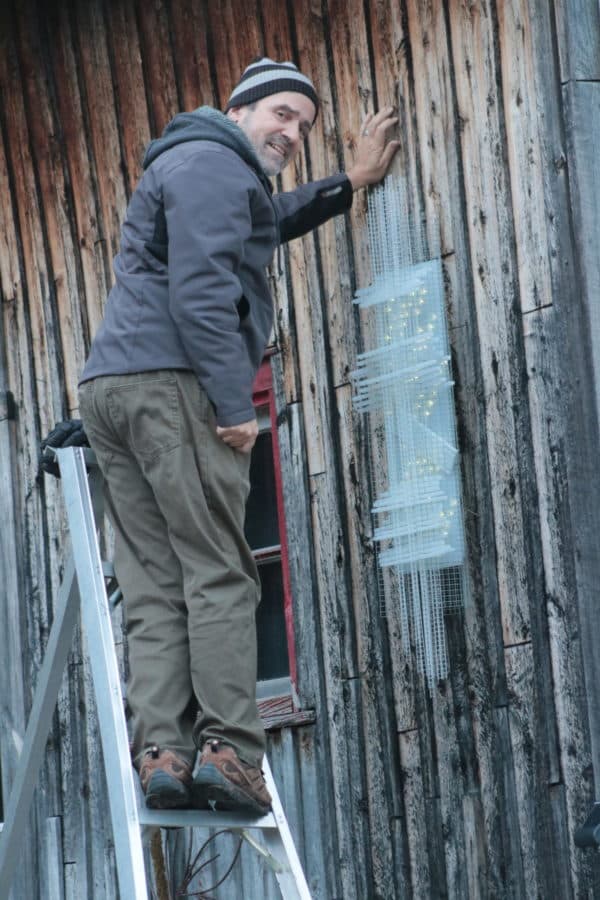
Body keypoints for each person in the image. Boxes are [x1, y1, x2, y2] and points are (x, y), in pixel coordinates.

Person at [78, 57, 399, 815]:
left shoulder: (192, 163)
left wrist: (344, 184)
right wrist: (233, 403)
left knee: (153, 583)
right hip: (174, 388)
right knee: (221, 571)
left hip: (112, 389)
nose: (292, 132)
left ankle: (163, 752)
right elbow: (201, 287)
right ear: (241, 108)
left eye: (304, 125)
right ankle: (230, 751)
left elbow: (258, 223)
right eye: (282, 113)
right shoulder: (217, 164)